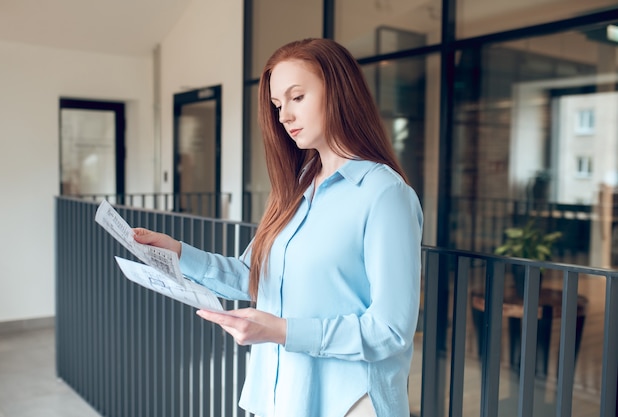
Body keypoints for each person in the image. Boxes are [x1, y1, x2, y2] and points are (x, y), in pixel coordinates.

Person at [134, 38, 423, 417]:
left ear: (339, 92)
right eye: (277, 104)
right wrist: (177, 253)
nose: (284, 115)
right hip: (280, 396)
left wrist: (282, 331)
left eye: (297, 97)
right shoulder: (298, 183)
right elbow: (252, 276)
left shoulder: (384, 194)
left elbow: (390, 330)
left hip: (349, 403)